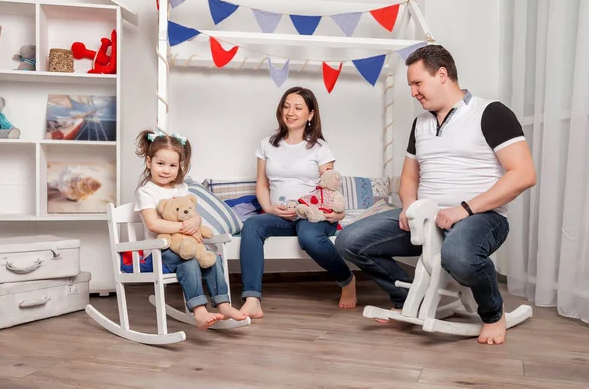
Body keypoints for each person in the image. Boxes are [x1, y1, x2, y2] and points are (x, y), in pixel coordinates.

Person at [335, 45, 536, 345]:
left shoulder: (490, 112)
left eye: (418, 83)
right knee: (349, 241)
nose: (413, 92)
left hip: (481, 216)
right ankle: (404, 297)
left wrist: (464, 209)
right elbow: (409, 176)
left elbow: (523, 174)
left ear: (442, 74)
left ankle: (494, 314)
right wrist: (409, 206)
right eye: (411, 86)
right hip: (426, 216)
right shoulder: (421, 124)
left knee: (460, 257)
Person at [239, 87, 357, 319]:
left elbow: (330, 185)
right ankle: (252, 299)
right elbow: (262, 184)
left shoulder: (321, 148)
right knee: (252, 226)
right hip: (280, 214)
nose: (290, 112)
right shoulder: (266, 144)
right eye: (286, 106)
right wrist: (270, 208)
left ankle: (347, 280)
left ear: (310, 114)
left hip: (314, 215)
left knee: (309, 237)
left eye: (298, 107)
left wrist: (338, 213)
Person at [134, 129, 248, 330]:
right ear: (149, 162)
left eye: (172, 165)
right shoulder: (146, 191)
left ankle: (223, 303)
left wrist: (196, 221)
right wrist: (184, 227)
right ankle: (199, 310)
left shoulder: (181, 190)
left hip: (186, 245)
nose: (166, 170)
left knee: (211, 257)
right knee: (188, 261)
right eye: (160, 164)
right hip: (160, 249)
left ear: (180, 167)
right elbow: (154, 224)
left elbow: (194, 214)